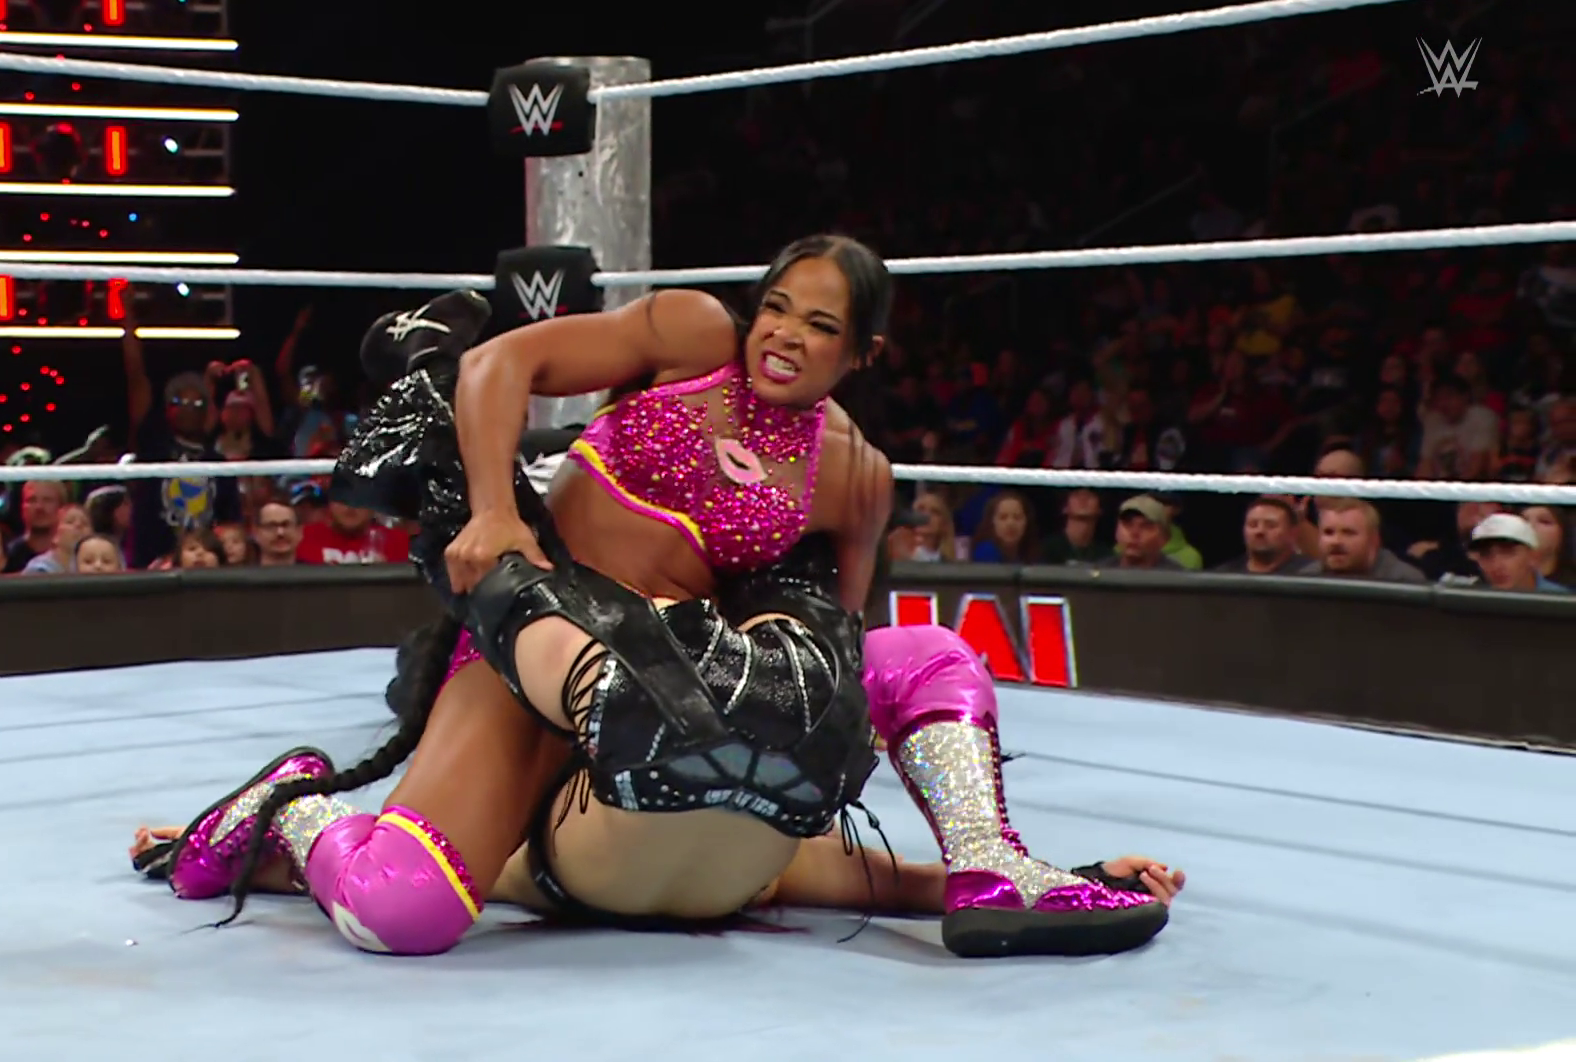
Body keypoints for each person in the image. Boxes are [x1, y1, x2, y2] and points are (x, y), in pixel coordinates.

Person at [133, 236, 1177, 959]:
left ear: (863, 353)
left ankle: (995, 865)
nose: (782, 336)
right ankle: (298, 815)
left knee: (930, 659)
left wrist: (1070, 864)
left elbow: (839, 649)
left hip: (682, 672)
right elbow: (498, 365)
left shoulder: (854, 474)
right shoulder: (693, 338)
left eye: (819, 324)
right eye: (777, 307)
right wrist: (493, 512)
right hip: (536, 646)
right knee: (403, 913)